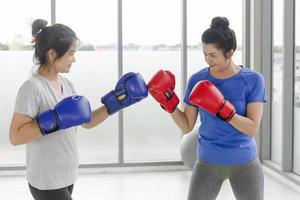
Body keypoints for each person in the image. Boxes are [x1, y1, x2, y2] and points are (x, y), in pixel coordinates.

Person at [9, 19, 148, 200]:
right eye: (71, 53)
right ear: (52, 54)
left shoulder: (66, 83)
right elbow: (15, 136)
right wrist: (55, 119)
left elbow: (86, 121)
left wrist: (117, 101)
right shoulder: (32, 87)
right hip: (46, 180)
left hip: (66, 175)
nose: (74, 59)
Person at [148, 16, 267, 200]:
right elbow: (187, 126)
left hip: (245, 161)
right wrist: (168, 103)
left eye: (213, 55)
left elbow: (252, 128)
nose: (207, 60)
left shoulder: (253, 80)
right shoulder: (197, 80)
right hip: (207, 161)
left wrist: (223, 109)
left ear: (230, 53)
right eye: (204, 53)